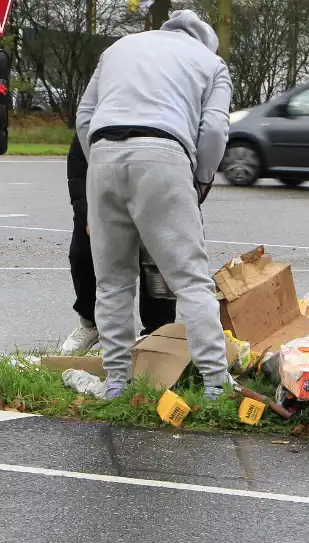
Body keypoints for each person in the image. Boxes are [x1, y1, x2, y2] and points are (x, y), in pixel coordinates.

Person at [75, 10, 233, 400]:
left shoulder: (118, 48)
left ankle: (117, 383)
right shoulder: (212, 64)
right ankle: (216, 385)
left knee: (112, 282)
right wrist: (201, 178)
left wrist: (98, 161)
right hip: (163, 154)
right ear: (206, 42)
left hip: (103, 153)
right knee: (191, 279)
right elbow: (213, 129)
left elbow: (84, 116)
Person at [60, 133, 177, 355]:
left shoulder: (164, 115)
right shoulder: (96, 117)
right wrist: (86, 214)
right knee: (82, 254)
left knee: (158, 263)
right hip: (105, 195)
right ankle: (90, 323)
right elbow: (78, 167)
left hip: (156, 193)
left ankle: (157, 332)